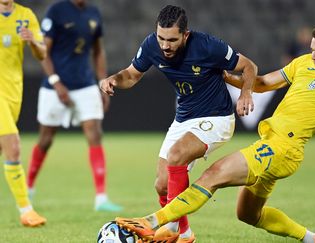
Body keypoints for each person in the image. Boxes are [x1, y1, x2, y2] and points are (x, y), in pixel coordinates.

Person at [114, 23, 315, 243]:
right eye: (311, 50)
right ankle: (314, 239)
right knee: (248, 215)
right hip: (271, 144)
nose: (313, 56)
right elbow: (261, 83)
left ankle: (152, 221)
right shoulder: (302, 64)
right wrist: (225, 76)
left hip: (283, 149)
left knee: (213, 175)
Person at [100, 5, 257, 243]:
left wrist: (246, 94)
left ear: (186, 34)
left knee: (176, 155)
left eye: (172, 40)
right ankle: (185, 234)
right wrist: (113, 79)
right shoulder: (152, 44)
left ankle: (171, 228)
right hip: (184, 118)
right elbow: (131, 75)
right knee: (162, 186)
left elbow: (249, 67)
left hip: (217, 118)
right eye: (161, 38)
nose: (165, 46)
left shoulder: (207, 46)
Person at [26, 0, 122, 212]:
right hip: (54, 87)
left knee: (95, 134)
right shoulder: (56, 10)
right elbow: (44, 52)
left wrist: (102, 83)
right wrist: (56, 82)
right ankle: (28, 187)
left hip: (85, 85)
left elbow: (98, 51)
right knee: (45, 139)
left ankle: (101, 198)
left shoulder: (94, 12)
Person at [0, 0, 47, 227]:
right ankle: (26, 210)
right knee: (13, 146)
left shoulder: (25, 15)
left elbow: (42, 53)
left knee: (2, 149)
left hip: (13, 92)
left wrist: (33, 43)